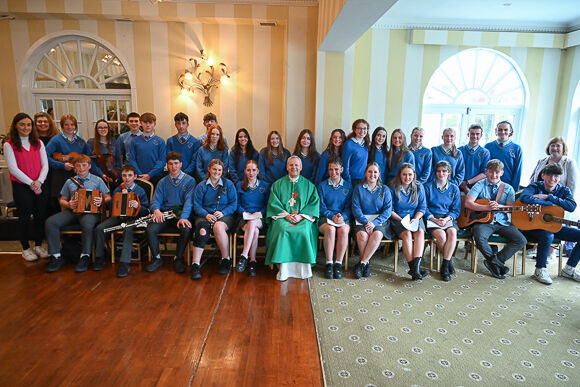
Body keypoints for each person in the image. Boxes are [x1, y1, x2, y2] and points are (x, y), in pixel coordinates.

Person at [45, 154, 111, 273]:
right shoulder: (69, 182)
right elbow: (62, 200)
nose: (81, 168)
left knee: (87, 224)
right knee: (51, 222)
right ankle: (55, 256)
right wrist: (68, 204)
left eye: (84, 165)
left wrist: (102, 200)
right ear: (75, 168)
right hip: (72, 211)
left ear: (89, 166)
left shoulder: (97, 180)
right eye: (78, 166)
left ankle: (85, 256)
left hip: (90, 212)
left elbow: (108, 197)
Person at [464, 159, 527, 279]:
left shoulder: (508, 188)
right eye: (491, 172)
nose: (494, 175)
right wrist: (486, 207)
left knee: (521, 240)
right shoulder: (479, 184)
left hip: (502, 222)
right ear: (486, 171)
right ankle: (496, 264)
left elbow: (510, 208)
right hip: (484, 221)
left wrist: (500, 207)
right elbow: (468, 203)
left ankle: (495, 261)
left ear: (502, 173)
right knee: (479, 236)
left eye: (497, 172)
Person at [519, 163, 580, 284]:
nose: (553, 178)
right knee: (548, 235)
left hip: (553, 225)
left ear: (560, 177)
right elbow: (524, 198)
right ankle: (540, 269)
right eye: (550, 175)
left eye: (556, 176)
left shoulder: (564, 190)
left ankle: (569, 268)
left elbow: (572, 206)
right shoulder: (534, 186)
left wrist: (548, 197)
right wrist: (551, 205)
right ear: (543, 175)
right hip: (532, 227)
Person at [265, 156, 320, 281]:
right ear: (287, 167)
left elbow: (313, 204)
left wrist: (301, 216)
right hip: (283, 217)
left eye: (296, 165)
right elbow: (273, 204)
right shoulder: (277, 184)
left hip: (302, 218)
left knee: (304, 231)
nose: (294, 167)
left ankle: (303, 271)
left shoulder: (309, 186)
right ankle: (283, 270)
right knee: (282, 230)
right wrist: (286, 215)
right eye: (291, 165)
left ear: (301, 167)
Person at [4, 113, 49, 261]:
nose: (26, 127)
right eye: (22, 124)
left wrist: (39, 182)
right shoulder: (9, 144)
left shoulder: (38, 143)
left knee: (40, 215)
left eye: (29, 124)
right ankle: (25, 247)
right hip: (21, 186)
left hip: (40, 184)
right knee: (24, 216)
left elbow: (45, 165)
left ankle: (38, 245)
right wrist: (32, 183)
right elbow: (13, 169)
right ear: (16, 126)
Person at [93, 165, 149, 277]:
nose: (127, 178)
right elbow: (113, 207)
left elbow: (146, 210)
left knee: (127, 230)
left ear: (135, 177)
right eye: (124, 175)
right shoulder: (118, 189)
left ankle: (124, 263)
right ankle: (100, 257)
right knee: (99, 229)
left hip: (134, 219)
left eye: (130, 175)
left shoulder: (140, 190)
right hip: (119, 217)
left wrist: (138, 206)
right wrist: (116, 202)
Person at [145, 151, 196, 274]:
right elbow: (155, 201)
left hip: (181, 214)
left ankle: (178, 258)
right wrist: (156, 210)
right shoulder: (162, 182)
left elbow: (189, 202)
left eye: (176, 163)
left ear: (181, 164)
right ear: (167, 165)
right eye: (170, 164)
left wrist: (183, 217)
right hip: (165, 214)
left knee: (186, 229)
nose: (173, 167)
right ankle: (157, 258)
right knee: (150, 229)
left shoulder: (190, 181)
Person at [190, 158, 238, 279]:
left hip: (224, 215)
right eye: (214, 169)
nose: (217, 172)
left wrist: (223, 212)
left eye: (219, 170)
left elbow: (233, 203)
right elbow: (196, 205)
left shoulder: (228, 184)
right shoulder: (201, 186)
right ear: (209, 169)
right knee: (202, 230)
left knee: (218, 227)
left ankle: (225, 259)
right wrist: (206, 215)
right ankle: (195, 264)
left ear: (222, 171)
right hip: (204, 215)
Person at [351, 162, 392, 279]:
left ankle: (362, 263)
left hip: (379, 221)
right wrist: (366, 222)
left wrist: (374, 223)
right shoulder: (358, 188)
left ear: (379, 174)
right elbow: (356, 208)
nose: (372, 174)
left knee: (377, 234)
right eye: (370, 171)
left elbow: (388, 211)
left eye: (375, 172)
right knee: (362, 236)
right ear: (365, 173)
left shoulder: (385, 189)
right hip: (362, 220)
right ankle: (367, 263)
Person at [389, 163, 428, 280]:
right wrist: (401, 220)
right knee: (407, 234)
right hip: (398, 218)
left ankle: (415, 269)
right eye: (404, 174)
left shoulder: (419, 187)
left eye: (410, 174)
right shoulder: (392, 187)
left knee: (420, 232)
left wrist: (416, 218)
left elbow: (422, 207)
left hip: (414, 217)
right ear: (400, 175)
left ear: (414, 175)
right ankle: (414, 269)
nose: (407, 177)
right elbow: (389, 209)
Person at [424, 161, 461, 281]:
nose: (441, 173)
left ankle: (445, 264)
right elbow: (424, 208)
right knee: (441, 236)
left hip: (447, 218)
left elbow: (455, 210)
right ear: (435, 173)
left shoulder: (454, 188)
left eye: (444, 171)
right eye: (439, 171)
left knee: (452, 233)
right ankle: (448, 263)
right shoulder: (428, 187)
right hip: (432, 218)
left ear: (449, 173)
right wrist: (434, 219)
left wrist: (446, 219)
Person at [318, 160, 353, 279]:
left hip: (343, 218)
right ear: (328, 171)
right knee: (331, 230)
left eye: (336, 169)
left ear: (341, 170)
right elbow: (320, 206)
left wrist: (343, 216)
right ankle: (329, 263)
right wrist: (331, 216)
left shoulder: (348, 186)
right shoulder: (322, 186)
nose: (334, 172)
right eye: (331, 169)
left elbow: (349, 207)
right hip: (326, 218)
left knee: (343, 231)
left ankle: (338, 264)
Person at [234, 160, 270, 277]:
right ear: (245, 171)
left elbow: (267, 205)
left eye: (254, 170)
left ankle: (244, 255)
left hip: (259, 218)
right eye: (248, 170)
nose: (251, 173)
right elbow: (236, 204)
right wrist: (244, 212)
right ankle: (252, 261)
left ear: (258, 171)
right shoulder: (239, 185)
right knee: (254, 230)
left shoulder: (265, 186)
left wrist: (259, 212)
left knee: (253, 222)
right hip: (243, 218)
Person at [45, 114, 88, 203]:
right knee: (63, 201)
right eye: (66, 124)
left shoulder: (81, 142)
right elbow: (45, 157)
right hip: (60, 175)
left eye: (72, 124)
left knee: (78, 200)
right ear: (62, 126)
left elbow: (87, 159)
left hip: (77, 175)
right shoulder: (55, 140)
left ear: (75, 126)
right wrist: (62, 165)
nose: (69, 127)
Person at [128, 112, 166, 185]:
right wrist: (140, 174)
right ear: (141, 123)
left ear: (154, 124)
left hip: (156, 176)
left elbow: (162, 161)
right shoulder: (135, 141)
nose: (148, 125)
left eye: (150, 122)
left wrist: (150, 174)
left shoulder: (160, 141)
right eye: (145, 122)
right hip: (139, 176)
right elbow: (132, 159)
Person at [485, 120, 523, 190]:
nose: (502, 132)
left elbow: (517, 171)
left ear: (510, 131)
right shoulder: (488, 146)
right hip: (489, 185)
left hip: (507, 186)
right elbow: (484, 168)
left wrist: (514, 190)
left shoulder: (517, 148)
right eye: (500, 130)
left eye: (505, 130)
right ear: (496, 131)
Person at [86, 119, 122, 186]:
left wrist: (118, 175)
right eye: (100, 128)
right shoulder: (91, 143)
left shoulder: (115, 142)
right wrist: (101, 174)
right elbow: (90, 162)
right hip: (97, 176)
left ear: (108, 129)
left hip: (113, 176)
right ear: (96, 129)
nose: (103, 129)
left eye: (105, 127)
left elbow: (118, 161)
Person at [166, 112, 201, 178]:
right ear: (175, 125)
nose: (181, 126)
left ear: (188, 124)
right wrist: (175, 173)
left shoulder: (195, 141)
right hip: (173, 175)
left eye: (183, 123)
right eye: (178, 123)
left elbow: (194, 161)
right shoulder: (170, 141)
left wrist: (184, 174)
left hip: (189, 176)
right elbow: (169, 160)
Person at [459, 124, 490, 194]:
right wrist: (462, 185)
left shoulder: (485, 153)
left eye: (477, 134)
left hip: (477, 189)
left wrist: (467, 182)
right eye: (472, 134)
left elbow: (485, 173)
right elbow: (454, 170)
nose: (475, 136)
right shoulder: (459, 151)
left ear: (481, 135)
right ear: (468, 134)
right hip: (459, 187)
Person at [342, 119, 369, 185]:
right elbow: (345, 165)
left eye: (364, 128)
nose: (362, 131)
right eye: (359, 128)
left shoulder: (365, 144)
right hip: (352, 180)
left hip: (364, 179)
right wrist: (348, 181)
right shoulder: (349, 144)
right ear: (354, 130)